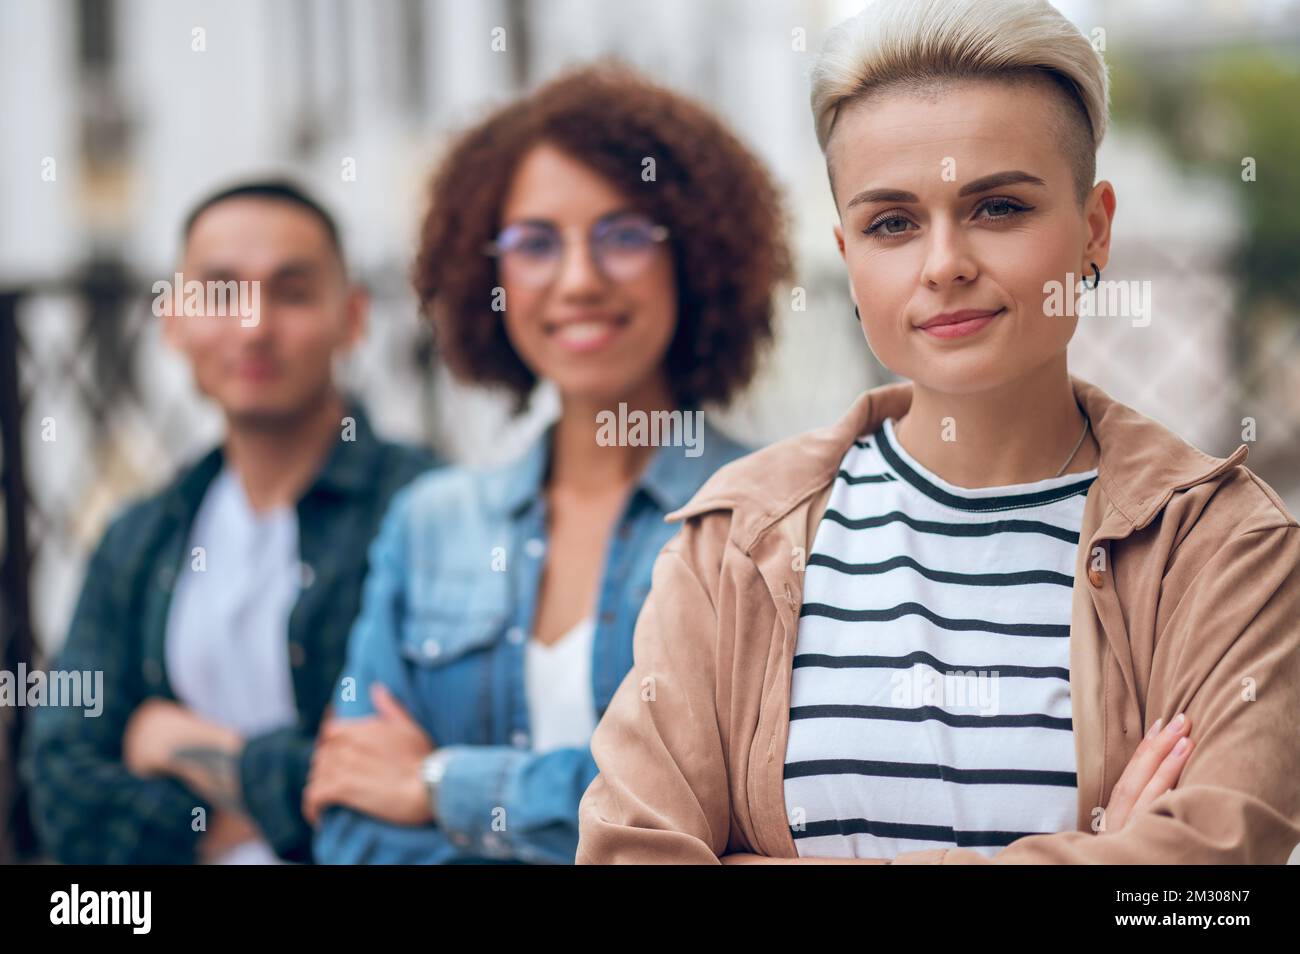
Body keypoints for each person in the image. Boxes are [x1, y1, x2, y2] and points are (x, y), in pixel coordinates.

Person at [577, 0, 1300, 863]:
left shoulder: (1226, 552)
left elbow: (1196, 901)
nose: (944, 262)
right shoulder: (732, 542)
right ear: (848, 258)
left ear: (1095, 230)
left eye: (998, 208)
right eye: (893, 223)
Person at [307, 62, 792, 863]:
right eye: (535, 243)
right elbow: (350, 818)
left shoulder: (769, 515)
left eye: (625, 235)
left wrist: (440, 783)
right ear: (486, 272)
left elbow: (741, 813)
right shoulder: (430, 524)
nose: (578, 279)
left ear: (696, 258)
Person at [24, 180, 437, 864]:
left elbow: (417, 786)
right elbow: (64, 783)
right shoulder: (142, 534)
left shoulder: (428, 512)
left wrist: (185, 747)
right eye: (219, 292)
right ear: (174, 320)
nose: (253, 326)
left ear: (353, 317)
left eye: (293, 292)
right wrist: (246, 815)